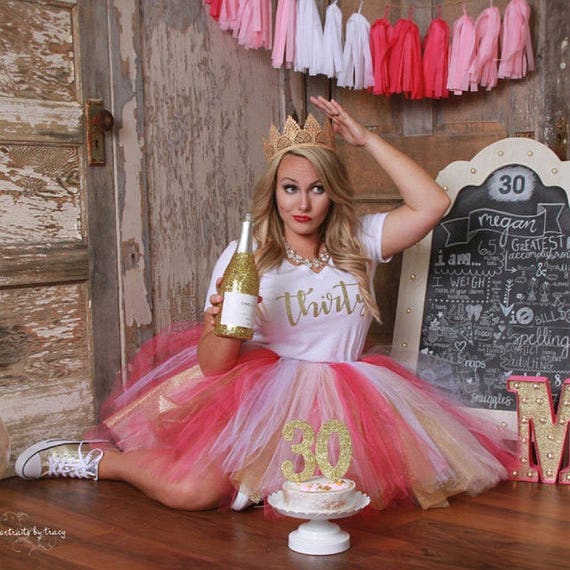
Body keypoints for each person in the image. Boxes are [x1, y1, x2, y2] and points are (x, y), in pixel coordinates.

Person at [15, 97, 515, 512]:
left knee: (369, 492)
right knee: (195, 492)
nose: (303, 204)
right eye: (290, 188)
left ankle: (262, 485)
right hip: (257, 394)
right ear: (273, 192)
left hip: (348, 395)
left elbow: (431, 203)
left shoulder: (360, 240)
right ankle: (99, 461)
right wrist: (219, 327)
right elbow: (214, 367)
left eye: (317, 189)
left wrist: (367, 141)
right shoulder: (246, 256)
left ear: (333, 194)